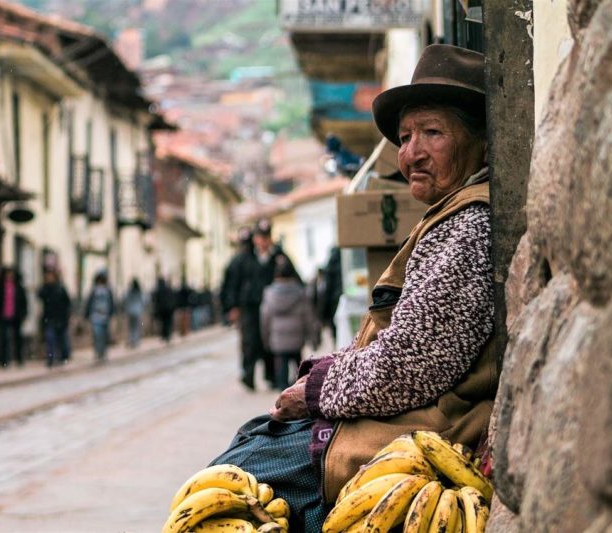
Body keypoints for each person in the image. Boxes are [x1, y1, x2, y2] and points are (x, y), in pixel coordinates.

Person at [209, 45, 497, 532]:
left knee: (239, 478)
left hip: (423, 432)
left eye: (432, 133)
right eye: (405, 138)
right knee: (251, 443)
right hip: (404, 416)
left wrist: (318, 390)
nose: (411, 153)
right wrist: (326, 370)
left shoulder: (468, 226)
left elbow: (411, 367)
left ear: (480, 141)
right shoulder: (448, 215)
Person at [222, 218, 299, 391]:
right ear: (255, 238)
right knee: (250, 341)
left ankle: (271, 376)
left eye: (266, 237)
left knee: (271, 342)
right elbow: (232, 284)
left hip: (273, 309)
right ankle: (247, 375)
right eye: (260, 237)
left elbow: (294, 279)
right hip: (250, 307)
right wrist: (232, 306)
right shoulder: (243, 259)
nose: (263, 242)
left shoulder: (279, 257)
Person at [260, 261, 312, 391]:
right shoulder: (300, 292)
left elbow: (265, 317)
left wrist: (265, 337)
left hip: (278, 338)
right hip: (297, 336)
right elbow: (308, 315)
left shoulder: (269, 294)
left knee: (281, 367)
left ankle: (283, 393)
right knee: (299, 367)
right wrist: (313, 335)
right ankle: (300, 390)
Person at [0, 266, 28, 367]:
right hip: (4, 316)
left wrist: (24, 313)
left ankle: (19, 359)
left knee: (17, 339)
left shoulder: (18, 287)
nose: (9, 276)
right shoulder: (0, 287)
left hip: (16, 316)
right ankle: (4, 360)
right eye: (7, 274)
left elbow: (23, 301)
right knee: (4, 339)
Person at [37, 269, 71, 367]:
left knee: (61, 339)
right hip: (49, 318)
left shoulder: (60, 288)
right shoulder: (45, 288)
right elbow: (39, 295)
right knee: (50, 339)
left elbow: (67, 303)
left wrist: (66, 316)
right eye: (47, 277)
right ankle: (50, 359)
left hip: (60, 318)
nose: (49, 278)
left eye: (51, 276)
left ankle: (62, 357)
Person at [85, 270, 115, 362]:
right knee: (97, 335)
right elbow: (89, 303)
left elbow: (111, 303)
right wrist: (86, 314)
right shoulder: (94, 290)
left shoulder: (108, 290)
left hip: (104, 316)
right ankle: (98, 352)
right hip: (96, 316)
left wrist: (112, 314)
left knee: (104, 336)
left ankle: (102, 353)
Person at [152, 276, 176, 343]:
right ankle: (167, 335)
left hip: (162, 310)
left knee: (163, 323)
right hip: (168, 309)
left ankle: (164, 335)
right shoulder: (168, 289)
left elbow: (155, 300)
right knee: (168, 322)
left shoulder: (158, 290)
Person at [123, 278, 144, 348]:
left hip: (130, 311)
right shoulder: (139, 291)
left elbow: (125, 299)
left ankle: (132, 340)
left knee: (131, 327)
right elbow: (144, 300)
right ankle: (136, 341)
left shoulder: (129, 291)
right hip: (138, 311)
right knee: (136, 327)